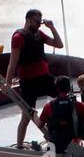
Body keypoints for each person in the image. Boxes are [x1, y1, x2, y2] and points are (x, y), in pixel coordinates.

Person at [7, 8, 64, 149]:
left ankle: (61, 130)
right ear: (28, 19)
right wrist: (7, 84)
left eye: (40, 21)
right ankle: (20, 145)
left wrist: (52, 28)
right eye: (37, 21)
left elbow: (59, 44)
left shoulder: (39, 34)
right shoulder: (18, 37)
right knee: (26, 115)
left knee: (66, 98)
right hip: (29, 81)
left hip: (44, 78)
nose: (39, 24)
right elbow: (12, 63)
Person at [38, 76, 84, 153]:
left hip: (56, 146)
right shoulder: (80, 106)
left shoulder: (48, 107)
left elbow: (40, 125)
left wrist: (34, 115)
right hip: (77, 145)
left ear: (57, 89)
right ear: (69, 88)